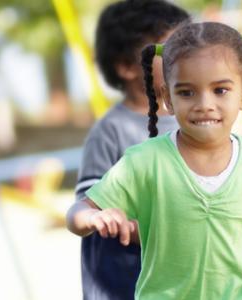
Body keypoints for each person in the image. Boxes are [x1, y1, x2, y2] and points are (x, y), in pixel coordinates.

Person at [69, 21, 242, 299]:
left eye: (220, 90)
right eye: (187, 92)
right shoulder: (145, 161)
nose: (204, 104)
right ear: (167, 97)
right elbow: (77, 214)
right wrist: (93, 216)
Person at [75, 1, 190, 299]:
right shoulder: (111, 131)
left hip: (183, 278)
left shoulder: (197, 120)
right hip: (126, 280)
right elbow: (83, 208)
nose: (186, 57)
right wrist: (97, 218)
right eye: (170, 49)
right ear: (126, 66)